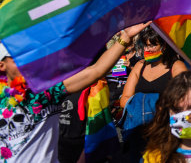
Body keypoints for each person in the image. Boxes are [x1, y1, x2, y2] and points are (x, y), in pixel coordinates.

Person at [0, 22, 149, 162]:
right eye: (16, 59)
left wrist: (125, 38)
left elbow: (95, 71)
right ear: (2, 65)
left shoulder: (47, 91)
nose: (27, 63)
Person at [120, 26, 187, 161]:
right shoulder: (140, 66)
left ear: (164, 46)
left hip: (164, 135)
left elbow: (184, 101)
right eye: (146, 45)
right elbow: (124, 100)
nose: (147, 49)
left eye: (153, 45)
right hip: (138, 134)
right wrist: (156, 103)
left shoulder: (177, 67)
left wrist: (142, 102)